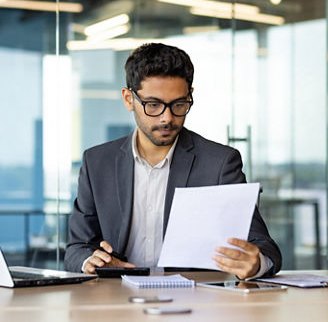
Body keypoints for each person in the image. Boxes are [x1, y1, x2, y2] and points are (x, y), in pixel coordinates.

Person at [64, 43, 281, 279]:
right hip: (118, 298)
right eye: (153, 105)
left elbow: (264, 246)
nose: (167, 118)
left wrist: (255, 263)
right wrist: (90, 260)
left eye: (179, 104)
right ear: (129, 99)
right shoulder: (97, 162)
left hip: (194, 301)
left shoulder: (219, 163)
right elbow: (77, 248)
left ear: (190, 96)